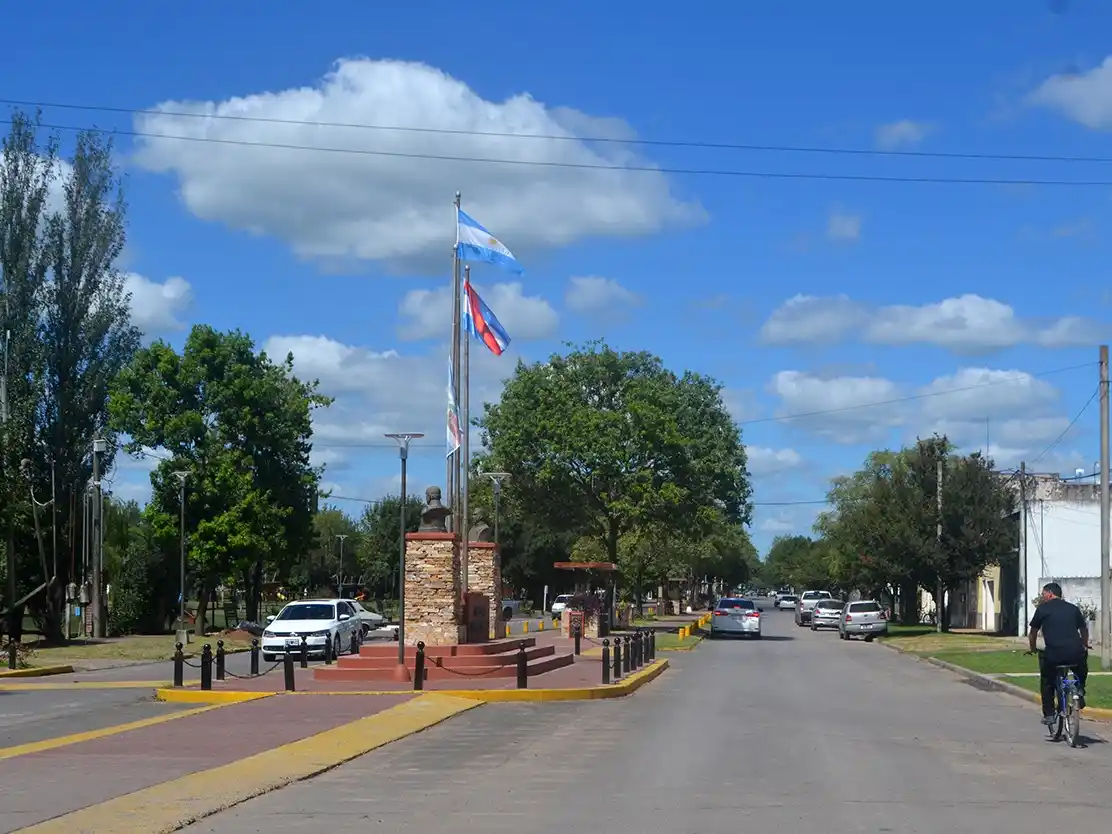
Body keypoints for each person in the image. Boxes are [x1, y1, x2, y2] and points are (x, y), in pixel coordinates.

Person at [1027, 582, 1089, 725]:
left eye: (1043, 594)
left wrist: (1033, 648)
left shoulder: (1042, 609)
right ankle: (1079, 690)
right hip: (1075, 653)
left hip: (1054, 654)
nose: (1042, 597)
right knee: (1081, 667)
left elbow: (1033, 633)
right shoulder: (1073, 609)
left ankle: (1049, 713)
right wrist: (1085, 645)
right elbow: (1084, 630)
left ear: (1049, 593)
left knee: (1047, 681)